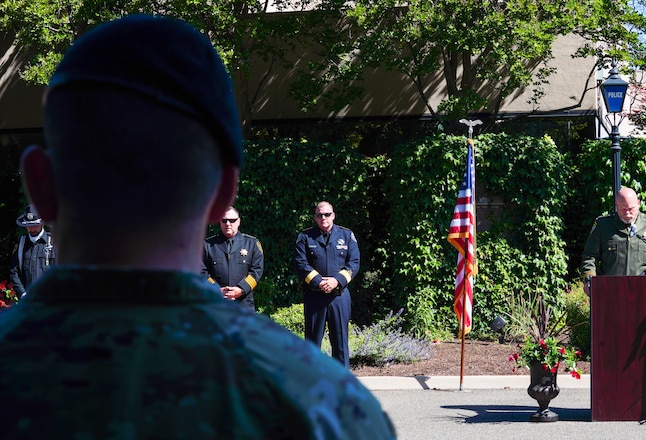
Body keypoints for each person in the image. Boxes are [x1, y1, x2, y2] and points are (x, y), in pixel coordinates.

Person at [0, 14, 395, 439]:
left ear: (39, 186)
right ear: (225, 190)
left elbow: (275, 270)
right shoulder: (325, 406)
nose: (324, 220)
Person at [295, 201, 360, 368]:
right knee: (312, 341)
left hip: (339, 296)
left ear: (333, 215)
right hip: (315, 296)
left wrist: (336, 280)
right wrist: (319, 281)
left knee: (340, 342)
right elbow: (300, 263)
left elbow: (354, 262)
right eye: (319, 215)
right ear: (315, 217)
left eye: (327, 214)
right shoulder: (305, 237)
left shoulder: (346, 235)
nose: (323, 218)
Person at [581, 187, 646, 296]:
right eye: (623, 209)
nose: (627, 214)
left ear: (638, 204)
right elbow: (589, 256)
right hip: (610, 292)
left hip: (643, 292)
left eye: (631, 209)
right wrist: (589, 280)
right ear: (617, 205)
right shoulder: (603, 226)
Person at [202, 206, 263, 310]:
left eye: (232, 220)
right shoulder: (208, 245)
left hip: (244, 304)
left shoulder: (252, 243)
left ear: (239, 221)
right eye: (224, 220)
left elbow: (256, 271)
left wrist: (241, 289)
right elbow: (201, 271)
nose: (228, 224)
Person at [9, 204, 55, 298]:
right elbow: (14, 271)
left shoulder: (54, 243)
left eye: (35, 225)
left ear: (42, 223)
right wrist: (22, 293)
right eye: (29, 226)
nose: (32, 229)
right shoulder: (21, 244)